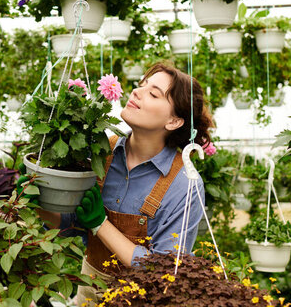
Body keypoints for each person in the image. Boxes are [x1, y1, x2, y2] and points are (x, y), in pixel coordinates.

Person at [21, 62, 213, 307]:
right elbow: (74, 223)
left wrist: (101, 225)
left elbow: (165, 271)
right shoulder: (103, 152)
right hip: (88, 294)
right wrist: (37, 202)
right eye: (140, 86)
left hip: (139, 300)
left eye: (153, 93)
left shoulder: (184, 184)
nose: (136, 92)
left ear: (174, 121)